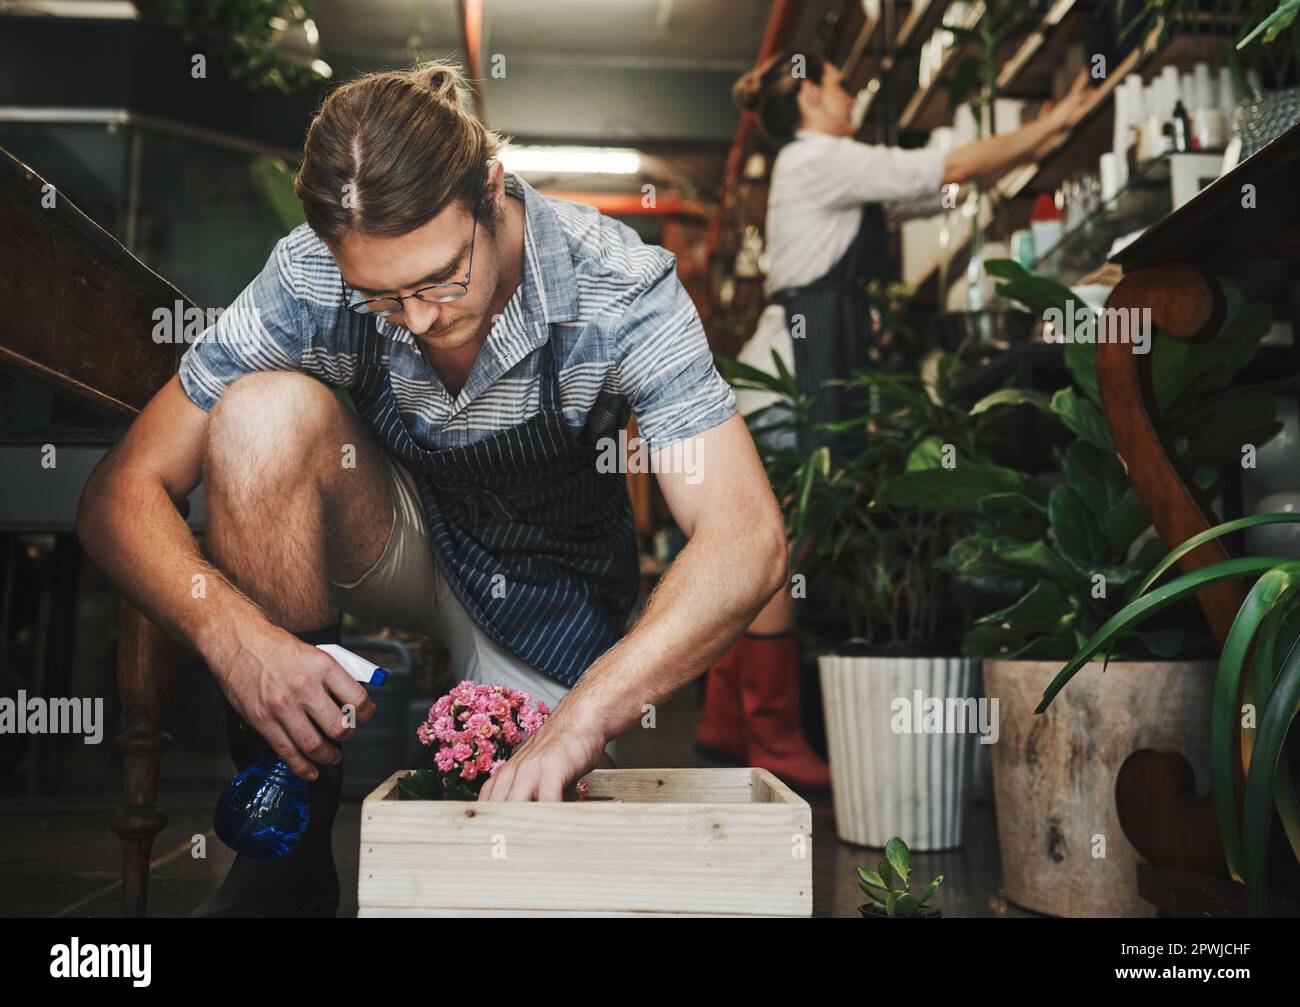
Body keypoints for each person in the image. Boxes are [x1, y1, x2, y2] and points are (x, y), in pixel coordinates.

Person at [75, 60, 788, 916]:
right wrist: (232, 635)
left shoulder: (617, 287)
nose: (418, 319)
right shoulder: (309, 275)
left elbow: (747, 538)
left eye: (443, 278)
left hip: (549, 593)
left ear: (490, 189)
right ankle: (288, 853)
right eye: (382, 298)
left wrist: (583, 721)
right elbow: (119, 492)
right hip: (403, 537)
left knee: (516, 882)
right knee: (258, 414)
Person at [694, 51, 1093, 787]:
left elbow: (933, 185)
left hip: (797, 374)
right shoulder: (817, 158)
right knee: (786, 545)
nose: (852, 95)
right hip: (793, 379)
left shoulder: (831, 172)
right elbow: (943, 165)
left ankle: (727, 714)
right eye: (843, 83)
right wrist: (1054, 124)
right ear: (809, 92)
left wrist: (1017, 147)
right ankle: (772, 734)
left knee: (780, 543)